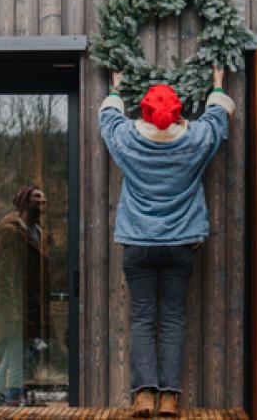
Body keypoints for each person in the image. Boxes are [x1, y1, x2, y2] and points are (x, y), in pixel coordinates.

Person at [99, 67, 234, 417]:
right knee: (173, 317)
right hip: (180, 244)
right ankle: (170, 398)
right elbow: (218, 120)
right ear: (177, 113)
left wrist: (115, 89)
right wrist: (218, 84)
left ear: (144, 112)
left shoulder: (127, 139)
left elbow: (108, 119)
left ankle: (144, 394)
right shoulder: (195, 140)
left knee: (143, 317)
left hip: (137, 244)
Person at [0, 185, 52, 406]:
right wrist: (10, 308)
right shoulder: (11, 231)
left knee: (17, 355)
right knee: (13, 355)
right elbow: (3, 274)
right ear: (26, 202)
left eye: (43, 200)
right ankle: (7, 397)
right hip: (16, 305)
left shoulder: (36, 231)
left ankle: (5, 397)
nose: (42, 203)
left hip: (30, 306)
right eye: (37, 199)